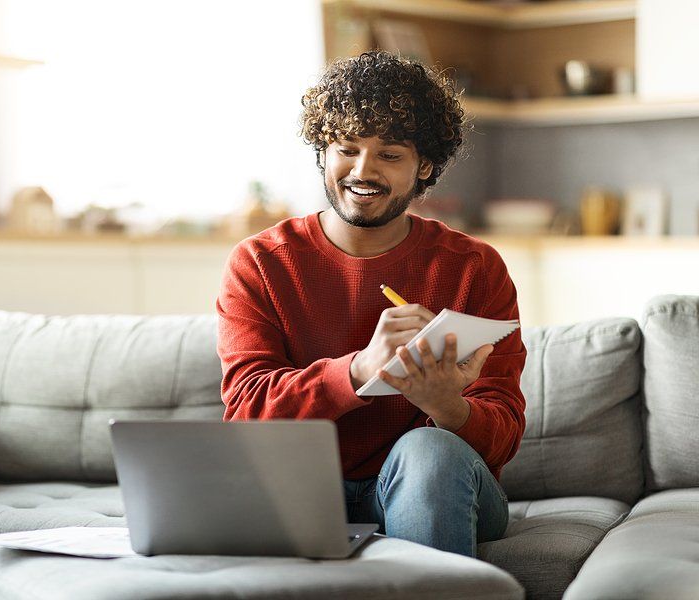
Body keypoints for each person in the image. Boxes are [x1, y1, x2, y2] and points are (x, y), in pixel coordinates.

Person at [216, 50, 526, 558]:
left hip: (443, 483)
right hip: (307, 490)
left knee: (427, 451)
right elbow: (246, 415)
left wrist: (446, 405)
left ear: (424, 165)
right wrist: (358, 371)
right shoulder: (260, 263)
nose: (363, 170)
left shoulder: (475, 268)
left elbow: (504, 437)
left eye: (390, 154)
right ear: (322, 151)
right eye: (346, 147)